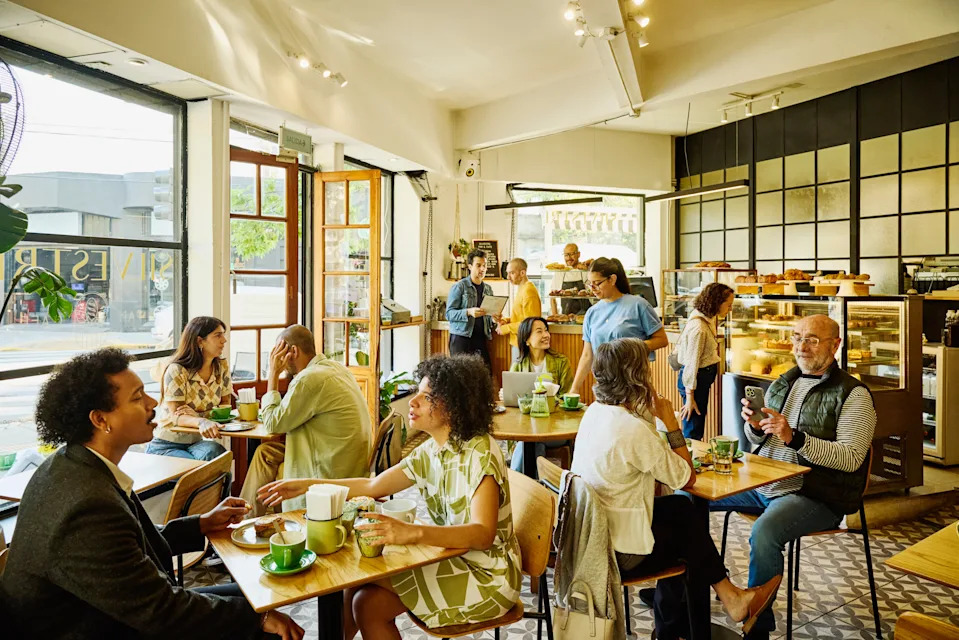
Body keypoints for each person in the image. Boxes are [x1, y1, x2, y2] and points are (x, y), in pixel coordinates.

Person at [0, 348, 303, 640]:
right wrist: (255, 621)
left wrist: (201, 524)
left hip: (111, 613)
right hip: (96, 627)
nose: (153, 402)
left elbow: (130, 547)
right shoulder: (87, 506)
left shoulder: (74, 464)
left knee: (256, 596)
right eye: (137, 397)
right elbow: (161, 611)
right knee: (264, 623)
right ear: (100, 420)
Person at [258, 354, 522, 640]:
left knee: (356, 578)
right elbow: (373, 486)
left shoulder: (479, 452)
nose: (413, 401)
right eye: (417, 392)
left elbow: (482, 534)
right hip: (455, 559)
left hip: (488, 577)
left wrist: (412, 533)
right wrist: (308, 485)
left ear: (455, 405)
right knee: (366, 603)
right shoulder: (432, 451)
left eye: (427, 397)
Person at [570, 338, 781, 640]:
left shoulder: (595, 412)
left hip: (592, 537)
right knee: (688, 538)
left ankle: (683, 623)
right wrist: (670, 423)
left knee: (681, 511)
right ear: (637, 376)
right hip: (619, 553)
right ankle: (724, 604)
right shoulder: (631, 429)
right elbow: (686, 477)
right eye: (646, 367)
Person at [709, 314, 876, 640]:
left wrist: (795, 438)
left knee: (765, 532)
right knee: (685, 500)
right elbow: (761, 439)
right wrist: (755, 428)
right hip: (763, 483)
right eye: (797, 338)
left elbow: (851, 458)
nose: (801, 346)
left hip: (815, 493)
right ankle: (684, 596)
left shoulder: (854, 394)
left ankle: (757, 628)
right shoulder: (783, 382)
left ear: (835, 345)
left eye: (812, 339)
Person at [239, 325, 371, 516]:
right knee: (265, 453)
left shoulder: (308, 379)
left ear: (293, 351)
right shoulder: (335, 368)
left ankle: (249, 519)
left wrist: (273, 374)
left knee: (271, 461)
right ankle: (249, 516)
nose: (277, 360)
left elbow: (272, 424)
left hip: (330, 469)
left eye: (278, 353)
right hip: (345, 459)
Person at [569, 257, 669, 396]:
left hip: (634, 384)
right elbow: (587, 355)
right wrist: (574, 389)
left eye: (597, 283)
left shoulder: (638, 305)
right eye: (590, 284)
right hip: (604, 386)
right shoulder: (592, 312)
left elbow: (662, 340)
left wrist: (629, 348)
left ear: (612, 279)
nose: (593, 289)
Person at [146, 316, 230, 461]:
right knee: (195, 467)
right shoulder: (177, 370)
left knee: (218, 454)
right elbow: (176, 416)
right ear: (199, 341)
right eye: (218, 335)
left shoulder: (221, 367)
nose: (224, 340)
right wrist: (202, 421)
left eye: (223, 334)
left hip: (195, 442)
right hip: (166, 443)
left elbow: (225, 405)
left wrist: (195, 416)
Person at [508, 316, 573, 473]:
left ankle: (518, 480)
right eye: (539, 331)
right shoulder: (518, 365)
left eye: (546, 330)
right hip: (526, 429)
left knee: (532, 440)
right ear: (527, 340)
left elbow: (567, 398)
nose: (546, 335)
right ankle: (537, 483)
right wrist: (507, 395)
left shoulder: (561, 362)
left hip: (556, 429)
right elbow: (513, 402)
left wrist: (551, 400)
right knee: (532, 440)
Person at [675, 282, 735, 440]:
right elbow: (691, 364)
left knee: (695, 426)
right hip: (695, 382)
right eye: (728, 305)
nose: (730, 309)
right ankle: (689, 455)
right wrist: (690, 398)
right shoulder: (699, 329)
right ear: (717, 302)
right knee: (693, 430)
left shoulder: (705, 317)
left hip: (699, 381)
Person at [446, 248, 495, 372]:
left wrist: (495, 318)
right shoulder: (459, 287)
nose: (482, 269)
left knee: (485, 375)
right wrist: (468, 312)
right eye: (478, 265)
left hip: (481, 338)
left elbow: (489, 314)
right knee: (461, 376)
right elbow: (449, 314)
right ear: (469, 266)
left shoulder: (488, 289)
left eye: (484, 265)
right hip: (461, 339)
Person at [494, 257, 542, 363]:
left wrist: (505, 328)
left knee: (518, 373)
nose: (508, 277)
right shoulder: (522, 289)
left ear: (522, 273)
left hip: (525, 344)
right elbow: (521, 317)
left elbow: (530, 324)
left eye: (512, 273)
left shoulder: (528, 291)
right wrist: (505, 321)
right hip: (519, 343)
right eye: (507, 273)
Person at [549, 243, 591, 316]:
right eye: (566, 255)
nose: (569, 258)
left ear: (578, 254)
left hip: (585, 316)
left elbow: (592, 293)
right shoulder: (560, 272)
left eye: (571, 254)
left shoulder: (585, 271)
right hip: (566, 317)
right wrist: (555, 317)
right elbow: (552, 298)